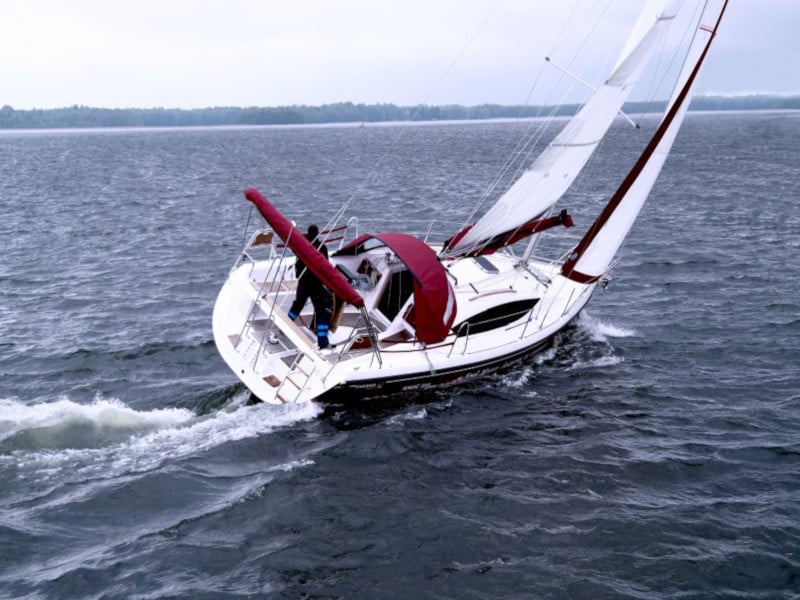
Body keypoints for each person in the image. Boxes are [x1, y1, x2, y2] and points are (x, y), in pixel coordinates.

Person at [288, 224, 333, 349]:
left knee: (297, 306)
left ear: (307, 233)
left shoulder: (302, 246)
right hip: (317, 285)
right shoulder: (322, 247)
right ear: (318, 234)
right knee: (321, 311)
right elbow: (326, 266)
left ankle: (285, 327)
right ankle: (323, 342)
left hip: (303, 283)